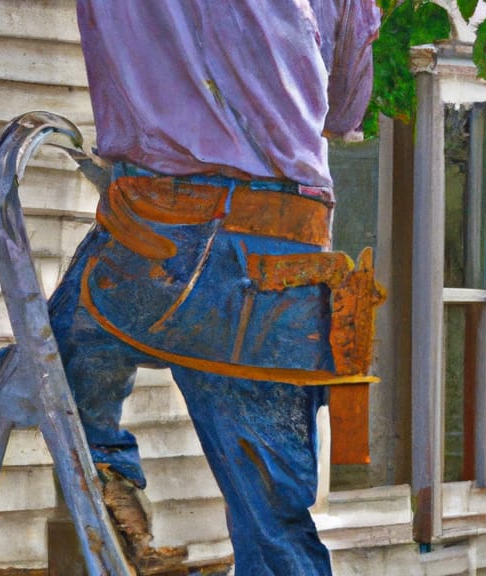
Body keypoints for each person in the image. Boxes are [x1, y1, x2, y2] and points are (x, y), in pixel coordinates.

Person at [48, 2, 381, 574]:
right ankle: (104, 470)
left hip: (157, 230)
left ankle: (105, 469)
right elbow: (344, 108)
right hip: (279, 249)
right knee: (276, 526)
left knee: (54, 356)